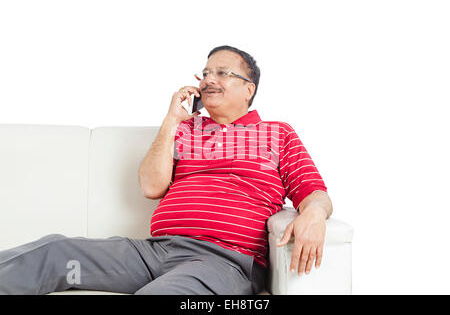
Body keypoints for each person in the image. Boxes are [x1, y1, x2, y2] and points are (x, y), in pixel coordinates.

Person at [0, 45, 332, 295]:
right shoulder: (185, 130)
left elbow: (314, 193)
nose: (209, 80)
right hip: (156, 250)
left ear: (249, 89)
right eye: (205, 73)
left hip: (225, 261)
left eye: (223, 73)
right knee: (54, 250)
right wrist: (172, 119)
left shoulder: (276, 132)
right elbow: (151, 186)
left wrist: (314, 214)